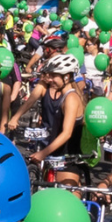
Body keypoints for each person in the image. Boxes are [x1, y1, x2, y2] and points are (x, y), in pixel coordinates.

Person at [24, 55, 85, 185]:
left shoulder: (71, 98)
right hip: (55, 156)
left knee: (67, 202)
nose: (50, 80)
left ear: (67, 76)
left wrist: (43, 153)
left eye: (54, 76)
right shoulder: (63, 96)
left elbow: (67, 133)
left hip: (68, 160)